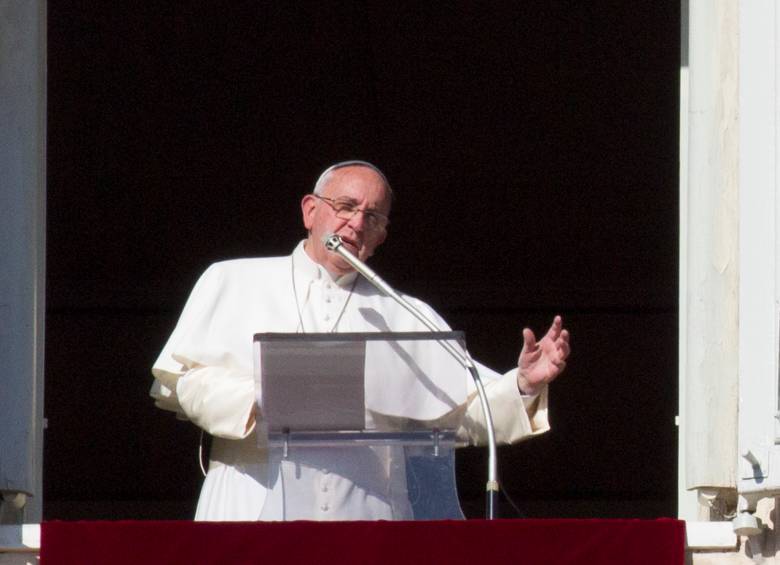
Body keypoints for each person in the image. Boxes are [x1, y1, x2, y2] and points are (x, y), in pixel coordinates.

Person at [150, 160, 570, 521]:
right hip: (252, 508)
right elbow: (185, 382)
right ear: (310, 210)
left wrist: (523, 385)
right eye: (346, 207)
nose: (356, 223)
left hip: (369, 521)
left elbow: (458, 411)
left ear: (381, 235)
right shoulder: (235, 280)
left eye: (373, 216)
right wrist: (263, 399)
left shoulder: (406, 312)